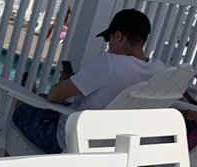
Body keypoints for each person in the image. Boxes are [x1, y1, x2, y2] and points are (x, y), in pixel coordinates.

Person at [12, 8, 164, 154]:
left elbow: (54, 96)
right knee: (41, 99)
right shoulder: (158, 70)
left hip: (69, 141)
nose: (108, 45)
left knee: (20, 106)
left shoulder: (109, 63)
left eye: (108, 39)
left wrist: (64, 83)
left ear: (118, 36)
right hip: (114, 145)